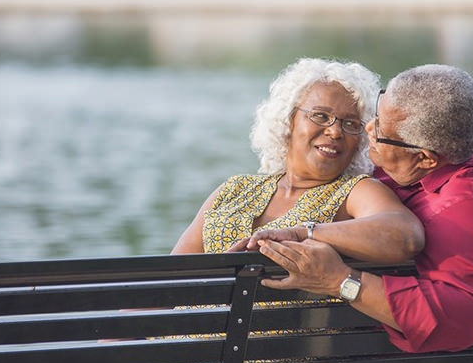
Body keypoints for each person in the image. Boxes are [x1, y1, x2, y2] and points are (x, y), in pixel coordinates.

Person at [244, 64, 473, 353]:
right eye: (377, 113)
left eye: (380, 130)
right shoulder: (392, 170)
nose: (368, 129)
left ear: (425, 159)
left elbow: (462, 320)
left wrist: (340, 281)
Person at [172, 57, 424, 265]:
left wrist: (305, 232)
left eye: (351, 124)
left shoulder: (355, 191)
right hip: (189, 324)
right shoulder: (236, 188)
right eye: (321, 116)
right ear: (288, 119)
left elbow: (405, 236)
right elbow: (168, 275)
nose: (335, 132)